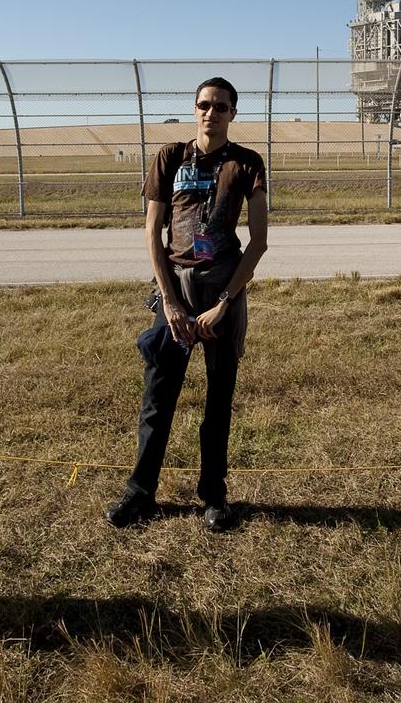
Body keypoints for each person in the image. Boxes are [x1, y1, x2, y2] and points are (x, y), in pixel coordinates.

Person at [105, 78, 267, 531]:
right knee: (158, 396)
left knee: (219, 399)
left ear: (233, 113)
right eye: (203, 105)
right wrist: (172, 304)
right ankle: (140, 492)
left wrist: (223, 303)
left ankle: (214, 497)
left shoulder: (247, 163)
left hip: (222, 290)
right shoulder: (169, 157)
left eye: (220, 106)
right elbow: (152, 234)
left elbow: (258, 243)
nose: (210, 112)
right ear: (193, 110)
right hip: (174, 289)